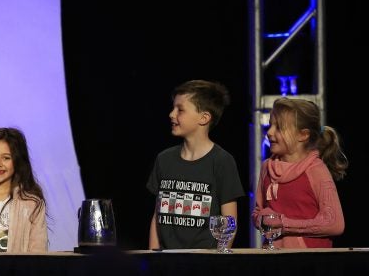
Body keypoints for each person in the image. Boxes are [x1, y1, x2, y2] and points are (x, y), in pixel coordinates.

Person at [147, 80, 245, 250]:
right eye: (173, 108)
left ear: (204, 118)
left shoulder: (222, 161)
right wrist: (152, 258)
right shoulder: (164, 159)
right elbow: (157, 216)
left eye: (180, 110)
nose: (171, 114)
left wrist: (217, 260)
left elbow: (229, 222)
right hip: (166, 261)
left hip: (204, 261)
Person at [251, 97, 347, 248]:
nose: (269, 132)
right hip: (273, 256)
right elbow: (257, 211)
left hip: (308, 259)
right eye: (270, 125)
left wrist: (284, 224)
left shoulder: (316, 170)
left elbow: (334, 223)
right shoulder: (267, 167)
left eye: (279, 127)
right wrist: (261, 219)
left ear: (303, 135)